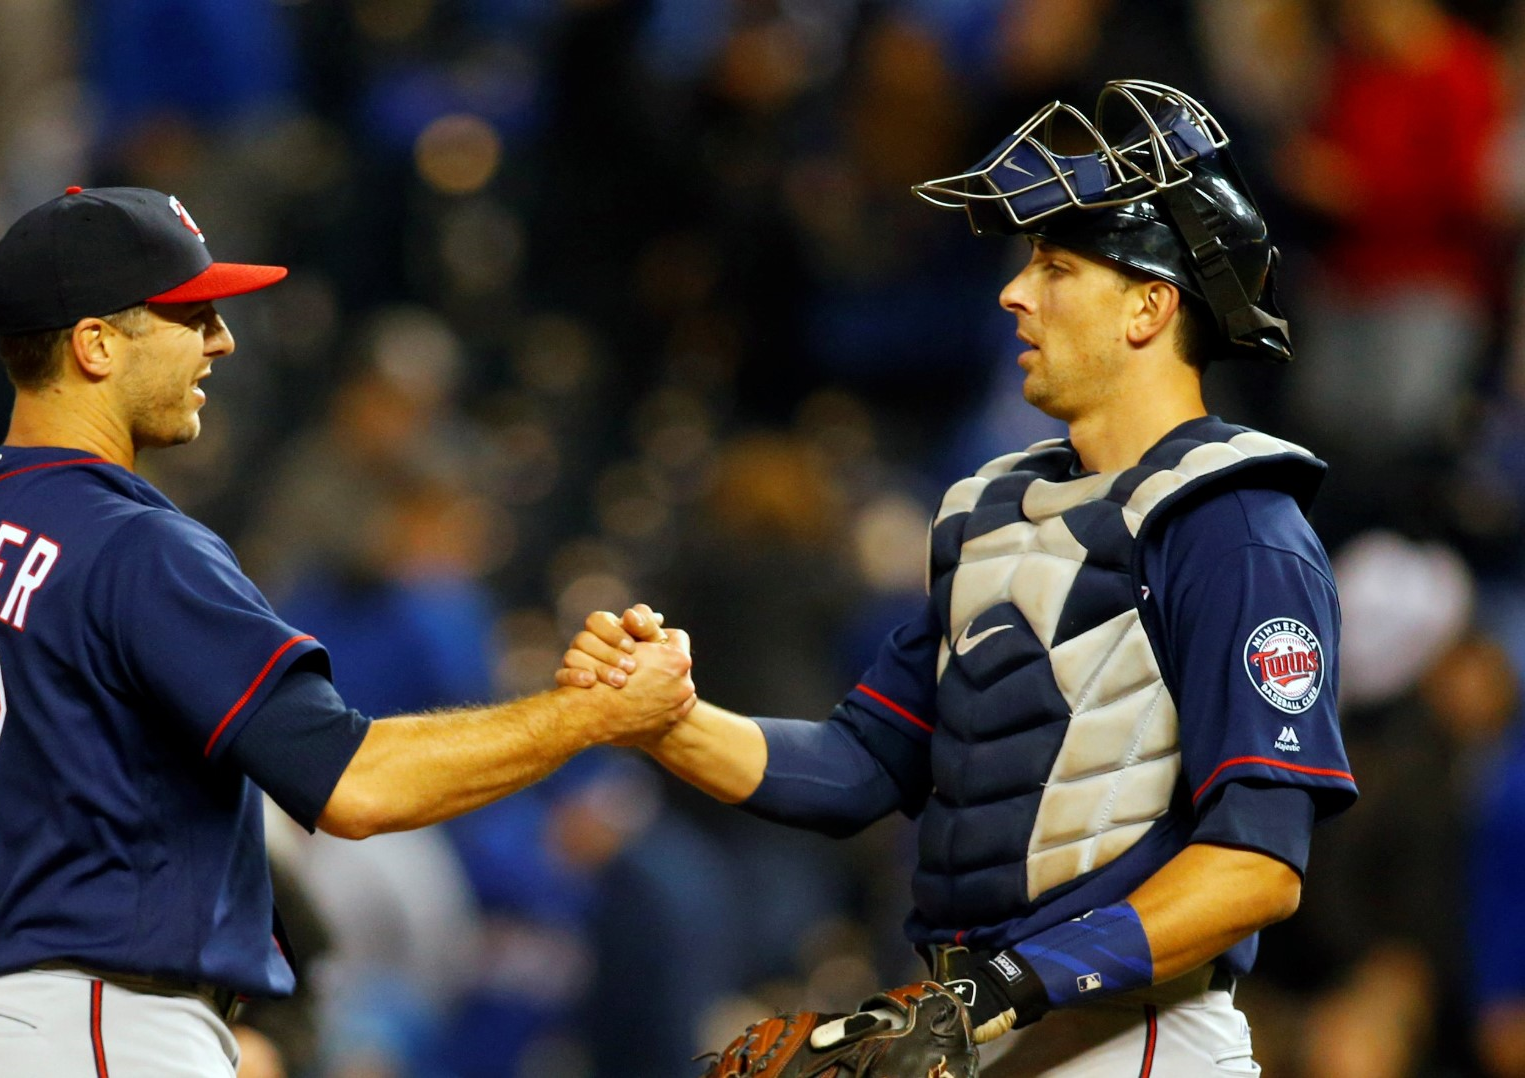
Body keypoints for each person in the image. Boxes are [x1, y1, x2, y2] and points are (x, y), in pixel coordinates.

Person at [560, 81, 1357, 1075]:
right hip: (984, 1032)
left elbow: (1255, 866)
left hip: (1137, 1038)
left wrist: (999, 990)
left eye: (1058, 267)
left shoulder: (1238, 529)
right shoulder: (995, 516)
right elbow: (859, 765)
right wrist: (665, 720)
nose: (1014, 294)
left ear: (1152, 306)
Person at [0, 185, 696, 1078]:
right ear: (95, 344)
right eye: (189, 313)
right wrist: (593, 715)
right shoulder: (135, 544)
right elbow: (355, 787)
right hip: (104, 1030)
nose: (220, 339)